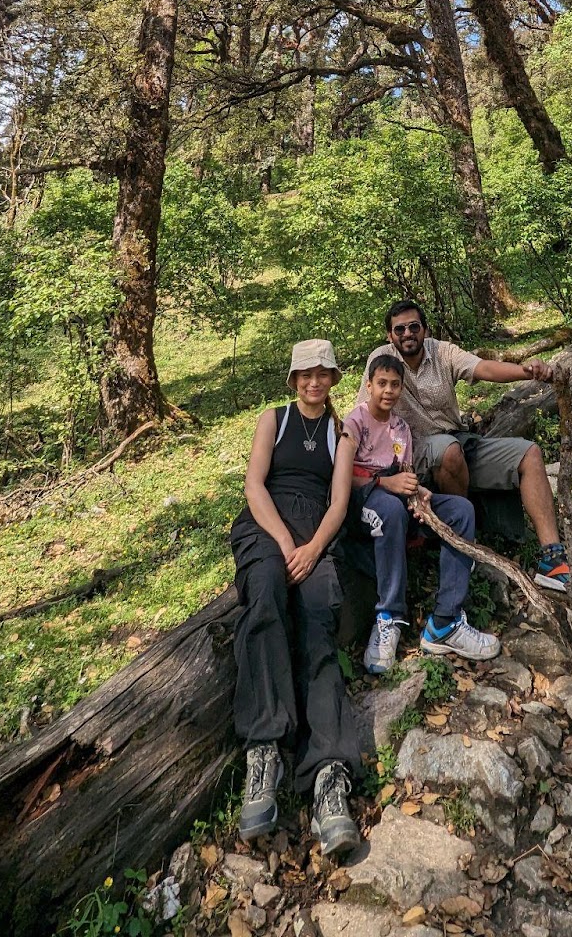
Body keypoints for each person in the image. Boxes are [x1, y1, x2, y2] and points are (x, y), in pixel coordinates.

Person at [358, 302, 572, 596]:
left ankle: (553, 561)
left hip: (460, 440)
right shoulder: (382, 360)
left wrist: (526, 372)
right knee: (448, 450)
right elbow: (366, 410)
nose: (407, 333)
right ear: (389, 335)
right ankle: (462, 544)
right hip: (413, 450)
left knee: (528, 454)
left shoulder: (442, 351)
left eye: (414, 327)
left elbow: (482, 367)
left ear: (425, 329)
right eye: (400, 329)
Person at [230, 339, 362, 858]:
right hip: (267, 527)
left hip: (317, 531)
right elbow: (254, 486)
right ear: (293, 380)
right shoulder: (274, 420)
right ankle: (265, 750)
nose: (313, 382)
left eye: (321, 373)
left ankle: (329, 773)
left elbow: (340, 502)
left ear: (332, 378)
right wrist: (286, 544)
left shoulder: (341, 434)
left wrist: (311, 549)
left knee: (316, 619)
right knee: (263, 598)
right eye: (304, 374)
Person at [344, 351, 500, 674]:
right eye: (381, 384)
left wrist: (419, 493)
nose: (388, 391)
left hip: (400, 501)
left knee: (460, 510)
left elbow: (406, 471)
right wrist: (385, 483)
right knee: (389, 508)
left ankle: (446, 621)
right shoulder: (355, 422)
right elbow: (344, 475)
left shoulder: (401, 429)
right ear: (369, 385)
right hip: (364, 503)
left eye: (395, 385)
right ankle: (388, 616)